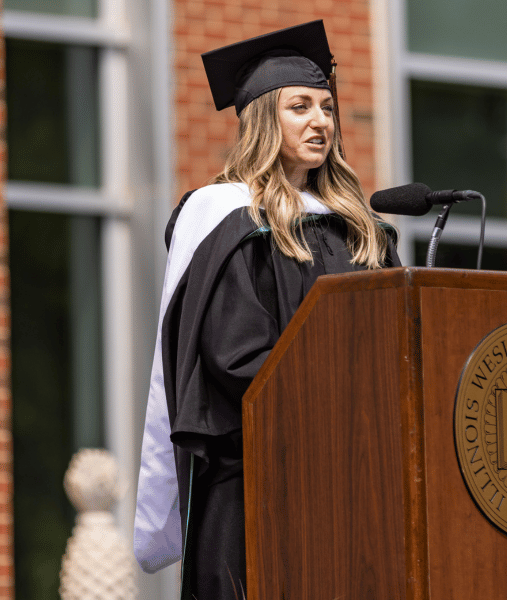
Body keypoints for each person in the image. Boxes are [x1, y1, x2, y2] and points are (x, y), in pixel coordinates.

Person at [131, 20, 400, 599]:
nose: (320, 122)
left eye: (327, 108)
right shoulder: (229, 220)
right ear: (261, 119)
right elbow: (235, 357)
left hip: (359, 486)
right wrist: (347, 399)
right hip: (259, 485)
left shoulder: (359, 230)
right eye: (300, 106)